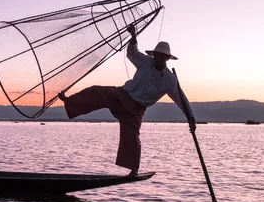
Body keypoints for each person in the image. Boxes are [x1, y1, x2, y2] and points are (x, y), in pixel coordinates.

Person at [58, 25, 195, 176]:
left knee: (131, 137)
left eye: (162, 56)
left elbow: (181, 100)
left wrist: (191, 119)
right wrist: (134, 36)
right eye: (157, 55)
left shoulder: (169, 80)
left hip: (136, 109)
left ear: (167, 58)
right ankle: (69, 101)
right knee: (97, 91)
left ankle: (134, 170)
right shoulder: (146, 61)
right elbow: (132, 53)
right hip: (122, 94)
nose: (158, 58)